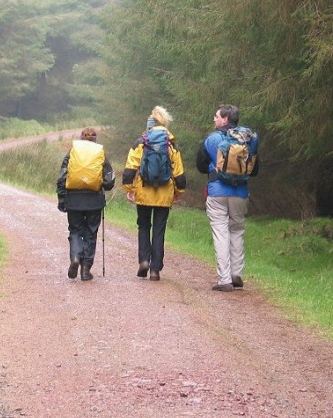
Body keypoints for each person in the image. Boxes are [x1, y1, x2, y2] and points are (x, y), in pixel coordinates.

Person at [196, 104, 260, 291]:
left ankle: (224, 279)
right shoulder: (247, 140)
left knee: (221, 232)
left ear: (225, 119)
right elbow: (254, 170)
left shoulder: (211, 139)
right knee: (237, 231)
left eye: (216, 116)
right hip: (240, 192)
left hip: (217, 192)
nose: (214, 119)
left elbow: (200, 166)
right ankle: (236, 274)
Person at [122, 106, 186, 281]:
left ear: (150, 123)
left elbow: (130, 168)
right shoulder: (171, 144)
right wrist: (179, 192)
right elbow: (178, 172)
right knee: (159, 230)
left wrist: (129, 189)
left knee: (143, 226)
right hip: (164, 193)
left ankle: (144, 260)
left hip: (143, 192)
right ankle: (155, 270)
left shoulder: (141, 142)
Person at [57, 127, 115, 281]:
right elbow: (109, 182)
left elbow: (63, 177)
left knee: (75, 230)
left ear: (81, 137)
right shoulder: (101, 153)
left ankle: (75, 257)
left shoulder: (72, 152)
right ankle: (85, 270)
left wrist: (62, 198)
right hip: (94, 201)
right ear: (95, 139)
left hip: (74, 199)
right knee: (90, 232)